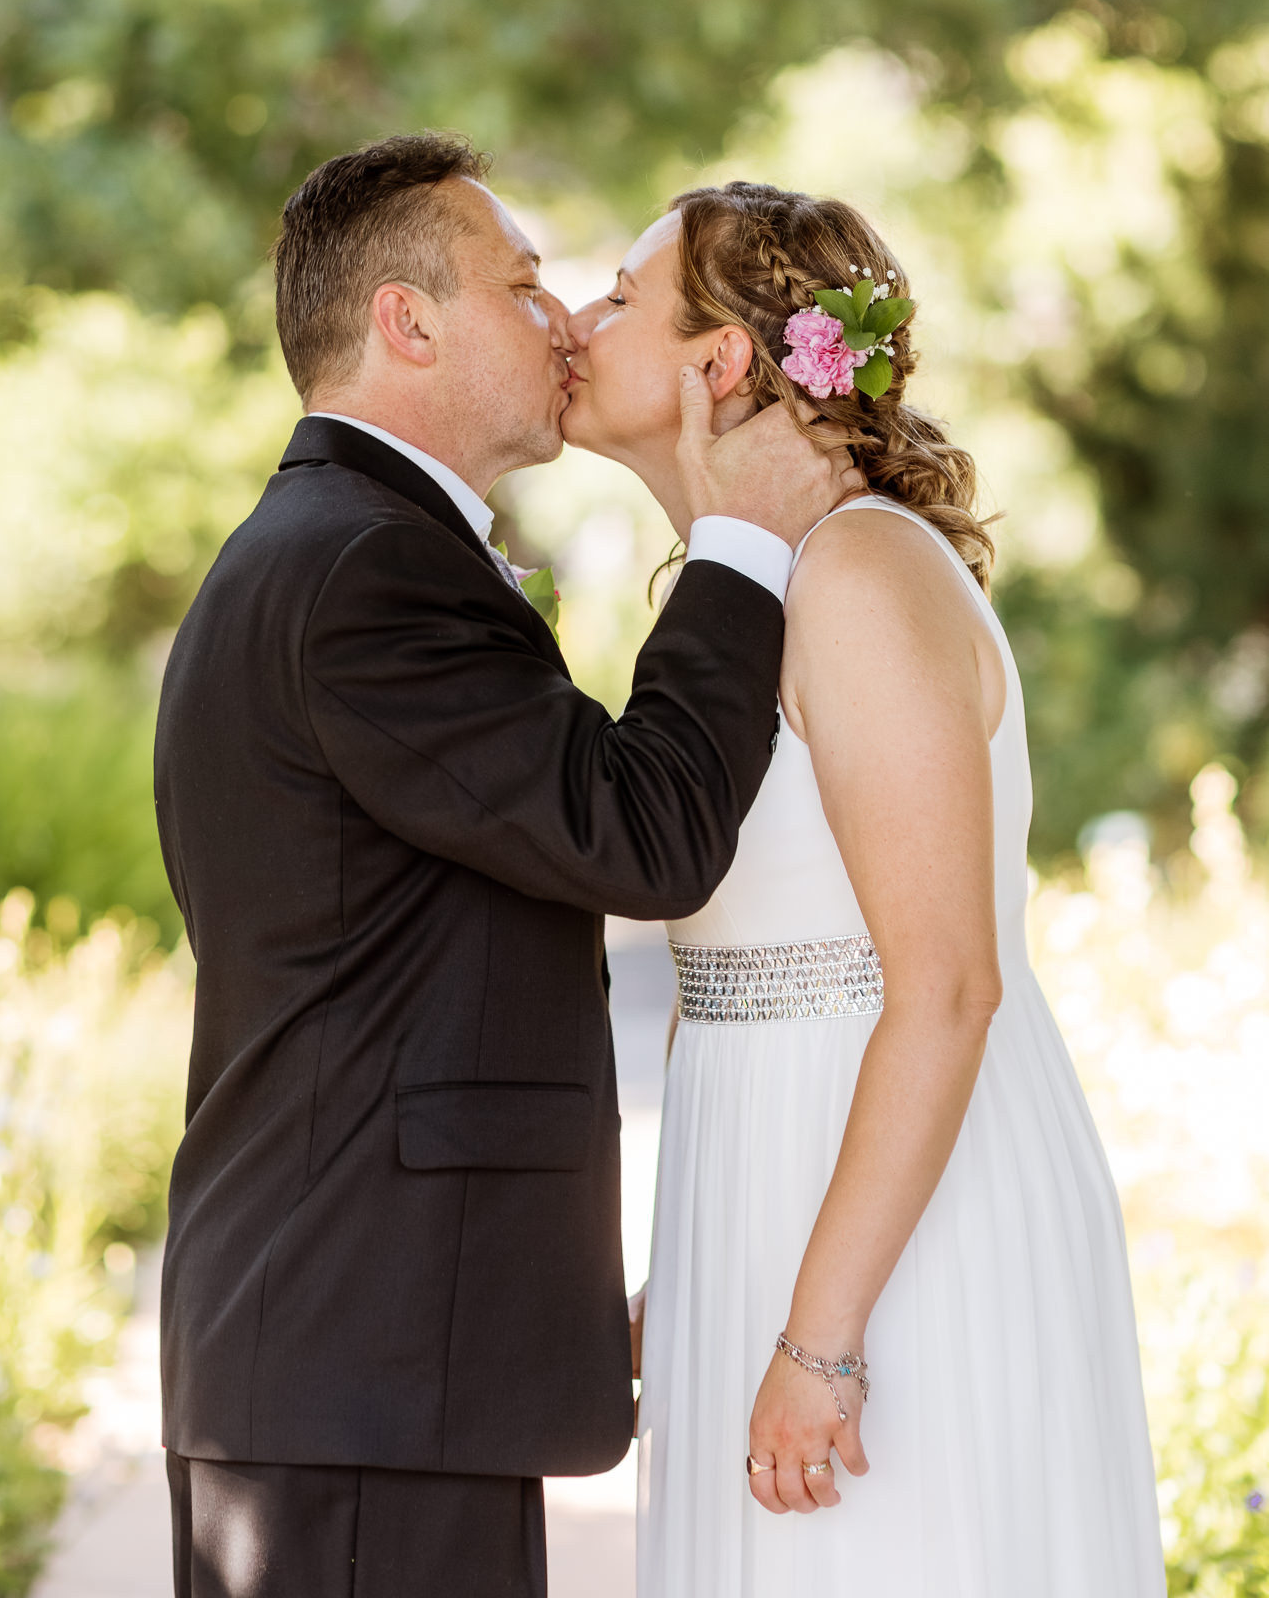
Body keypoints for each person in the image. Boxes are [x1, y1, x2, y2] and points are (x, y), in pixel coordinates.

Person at [152, 136, 857, 1598]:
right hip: (364, 1374)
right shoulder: (367, 570)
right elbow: (640, 832)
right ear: (407, 323)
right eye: (524, 284)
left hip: (378, 1367)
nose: (558, 322)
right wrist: (741, 543)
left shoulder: (342, 547)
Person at [562, 179, 1166, 1598]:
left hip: (910, 1232)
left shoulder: (858, 575)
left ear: (718, 363)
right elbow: (728, 948)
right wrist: (696, 1272)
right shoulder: (746, 587)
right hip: (774, 1192)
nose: (577, 326)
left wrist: (820, 1338)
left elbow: (949, 983)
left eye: (616, 297)